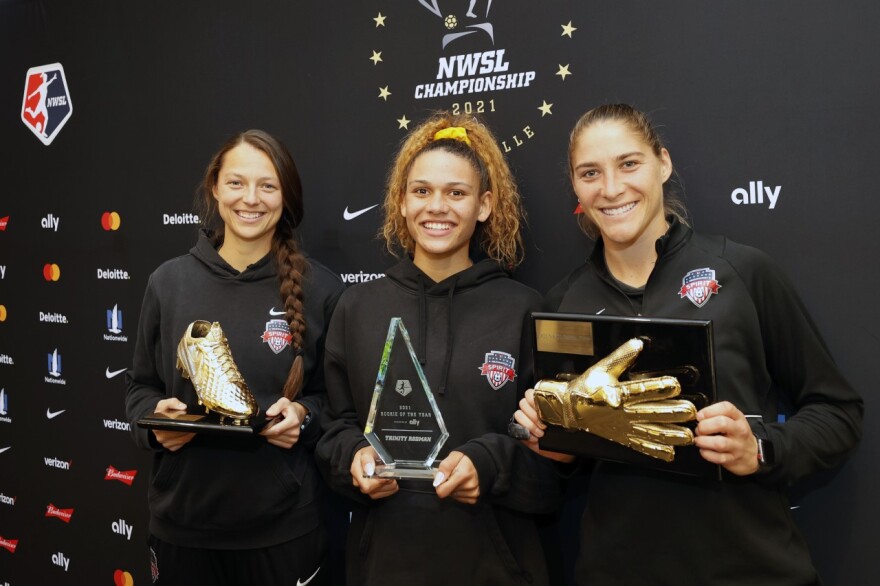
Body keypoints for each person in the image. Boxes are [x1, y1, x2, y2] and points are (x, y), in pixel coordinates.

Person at [514, 103, 864, 585]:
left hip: (751, 568)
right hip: (617, 570)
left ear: (664, 163)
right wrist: (554, 445)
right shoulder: (560, 304)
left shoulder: (741, 272)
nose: (611, 188)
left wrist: (760, 449)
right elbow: (558, 470)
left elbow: (838, 413)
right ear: (575, 186)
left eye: (629, 163)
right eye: (590, 172)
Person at [316, 113, 560, 585]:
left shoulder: (525, 310)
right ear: (402, 204)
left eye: (457, 193)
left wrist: (489, 465)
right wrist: (352, 459)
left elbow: (553, 466)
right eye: (422, 191)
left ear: (484, 205)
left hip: (497, 567)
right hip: (384, 565)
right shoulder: (357, 306)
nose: (437, 207)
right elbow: (332, 426)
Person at [125, 129, 344, 586]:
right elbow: (140, 387)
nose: (251, 199)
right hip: (183, 528)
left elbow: (340, 407)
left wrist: (303, 415)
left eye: (268, 185)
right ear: (214, 188)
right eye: (236, 182)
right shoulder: (168, 283)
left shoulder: (321, 289)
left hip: (282, 530)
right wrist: (154, 417)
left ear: (286, 196)